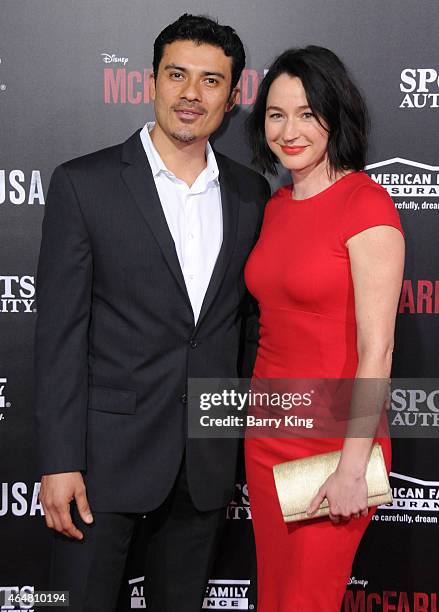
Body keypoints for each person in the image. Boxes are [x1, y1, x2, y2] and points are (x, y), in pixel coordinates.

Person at [34, 13, 270, 611]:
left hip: (205, 465)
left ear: (232, 94)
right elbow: (60, 337)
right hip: (101, 464)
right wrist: (59, 462)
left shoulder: (250, 193)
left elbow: (241, 329)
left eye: (211, 81)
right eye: (177, 75)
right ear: (151, 82)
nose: (191, 94)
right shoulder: (83, 184)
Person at [244, 46, 405, 611]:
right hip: (267, 437)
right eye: (276, 114)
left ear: (336, 117)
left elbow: (377, 350)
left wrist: (352, 466)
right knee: (275, 599)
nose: (290, 131)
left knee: (305, 601)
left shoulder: (367, 204)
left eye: (308, 114)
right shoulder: (277, 205)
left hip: (334, 443)